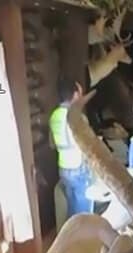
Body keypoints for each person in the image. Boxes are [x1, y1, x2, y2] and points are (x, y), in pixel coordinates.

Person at [50, 78, 95, 218]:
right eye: (80, 92)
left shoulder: (54, 116)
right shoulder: (78, 117)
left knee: (72, 210)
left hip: (63, 169)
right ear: (75, 95)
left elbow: (51, 144)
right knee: (84, 213)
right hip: (79, 167)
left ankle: (72, 230)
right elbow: (89, 146)